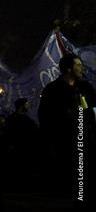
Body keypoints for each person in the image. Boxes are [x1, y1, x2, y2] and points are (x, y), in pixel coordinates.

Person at [38, 53, 96, 201]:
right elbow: (45, 117)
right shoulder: (52, 90)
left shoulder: (86, 87)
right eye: (78, 65)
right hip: (64, 143)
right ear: (69, 69)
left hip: (86, 140)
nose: (81, 68)